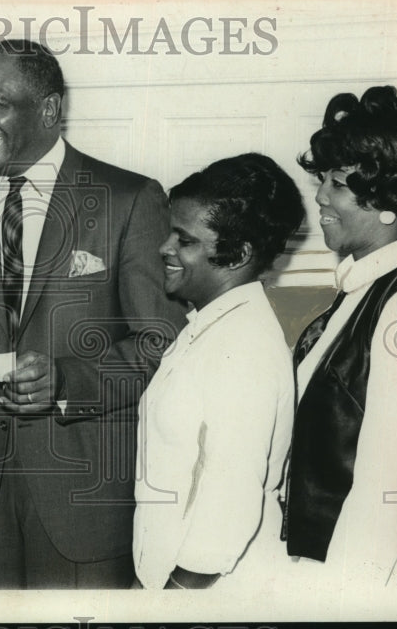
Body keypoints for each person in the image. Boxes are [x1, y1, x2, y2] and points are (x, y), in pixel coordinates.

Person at [0, 39, 187, 590]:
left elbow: (163, 346)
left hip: (86, 511)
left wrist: (68, 380)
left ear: (48, 109)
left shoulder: (128, 199)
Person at [283, 85, 397, 590]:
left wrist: (345, 606)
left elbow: (393, 503)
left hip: (370, 591)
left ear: (389, 202)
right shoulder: (365, 292)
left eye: (338, 183)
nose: (320, 195)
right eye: (322, 178)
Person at [133, 153, 305, 591]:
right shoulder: (210, 327)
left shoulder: (243, 345)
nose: (165, 248)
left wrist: (171, 600)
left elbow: (228, 502)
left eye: (185, 240)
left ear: (238, 255)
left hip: (211, 591)